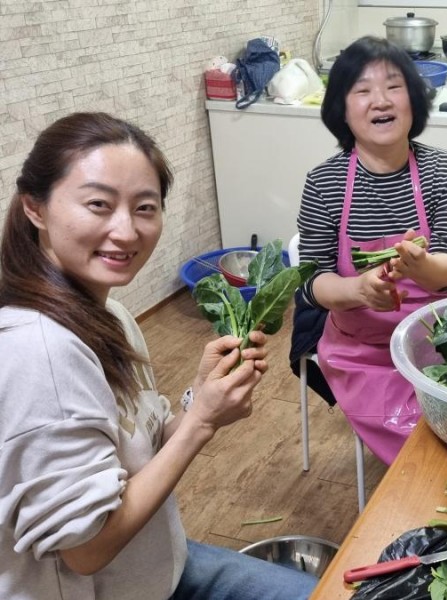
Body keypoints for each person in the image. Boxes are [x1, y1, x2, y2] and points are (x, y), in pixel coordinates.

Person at [0, 112, 317, 600]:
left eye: (144, 208)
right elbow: (87, 550)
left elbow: (142, 446)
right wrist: (202, 423)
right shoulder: (38, 353)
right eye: (99, 204)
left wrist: (200, 396)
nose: (126, 231)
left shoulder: (109, 314)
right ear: (35, 208)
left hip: (156, 566)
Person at [294, 36, 447, 465]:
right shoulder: (323, 183)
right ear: (341, 110)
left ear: (414, 100)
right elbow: (311, 283)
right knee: (431, 450)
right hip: (363, 353)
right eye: (362, 90)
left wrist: (421, 267)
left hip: (442, 342)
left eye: (394, 86)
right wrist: (358, 290)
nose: (381, 100)